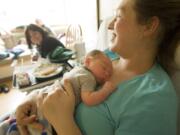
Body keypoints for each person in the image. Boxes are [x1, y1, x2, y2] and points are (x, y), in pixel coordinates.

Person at [14, 0, 179, 134]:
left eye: (119, 16)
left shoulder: (154, 100)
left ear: (149, 26)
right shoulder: (107, 56)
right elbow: (70, 81)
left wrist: (62, 122)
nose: (109, 25)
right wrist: (31, 99)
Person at [12, 50, 114, 135]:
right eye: (104, 68)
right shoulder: (89, 77)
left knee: (22, 125)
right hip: (51, 109)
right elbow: (89, 100)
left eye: (109, 73)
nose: (106, 74)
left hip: (45, 98)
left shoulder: (77, 69)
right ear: (87, 61)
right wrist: (106, 90)